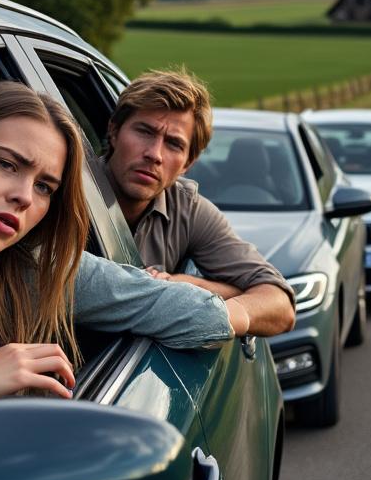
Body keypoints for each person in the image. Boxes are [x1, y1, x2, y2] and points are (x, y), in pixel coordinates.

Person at [0, 81, 249, 442]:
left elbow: (205, 317)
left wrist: (191, 283)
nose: (24, 197)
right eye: (7, 164)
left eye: (44, 187)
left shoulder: (38, 272)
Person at [103, 68, 295, 336]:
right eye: (145, 132)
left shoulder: (187, 209)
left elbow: (281, 306)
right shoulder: (68, 188)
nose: (155, 154)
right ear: (114, 131)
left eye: (173, 144)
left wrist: (191, 291)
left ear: (188, 164)